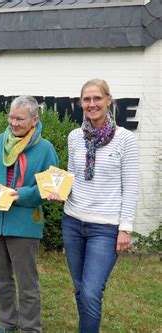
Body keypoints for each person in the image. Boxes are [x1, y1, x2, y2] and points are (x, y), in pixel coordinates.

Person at [0, 95, 59, 333]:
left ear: (34, 120)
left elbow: (52, 188)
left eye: (20, 119)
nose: (14, 123)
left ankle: (30, 327)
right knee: (1, 279)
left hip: (24, 225)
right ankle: (7, 322)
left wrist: (21, 194)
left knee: (27, 283)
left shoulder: (45, 148)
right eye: (11, 117)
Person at [58, 79, 139, 332]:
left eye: (97, 99)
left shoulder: (125, 139)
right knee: (81, 289)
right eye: (86, 99)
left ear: (108, 100)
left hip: (105, 228)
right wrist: (57, 191)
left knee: (91, 292)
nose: (91, 104)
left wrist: (125, 228)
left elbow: (131, 186)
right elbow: (72, 175)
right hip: (72, 221)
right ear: (81, 103)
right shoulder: (74, 137)